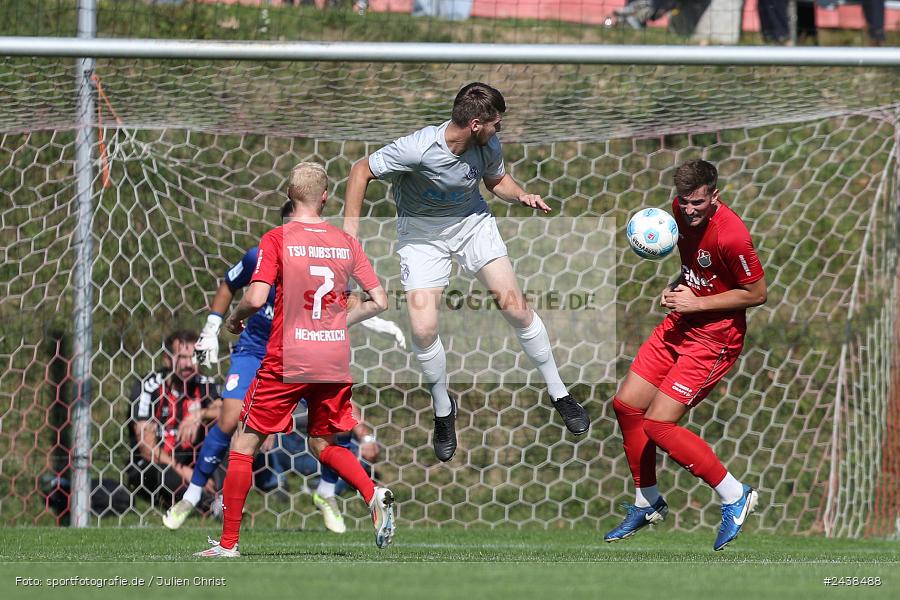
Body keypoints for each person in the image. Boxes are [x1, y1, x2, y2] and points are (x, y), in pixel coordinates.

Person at [343, 82, 590, 463]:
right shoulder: (418, 148)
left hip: (472, 225)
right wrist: (351, 233)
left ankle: (559, 391)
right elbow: (361, 170)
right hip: (422, 237)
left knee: (515, 308)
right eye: (496, 124)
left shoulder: (487, 145)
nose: (499, 130)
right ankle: (443, 408)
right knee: (423, 330)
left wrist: (520, 194)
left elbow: (496, 181)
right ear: (475, 123)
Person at [164, 201, 403, 533]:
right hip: (257, 347)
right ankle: (191, 496)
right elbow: (230, 285)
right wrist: (210, 330)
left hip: (297, 350)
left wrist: (378, 323)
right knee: (232, 417)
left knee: (334, 429)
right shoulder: (263, 253)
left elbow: (341, 302)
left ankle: (326, 492)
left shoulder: (321, 262)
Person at [604, 159, 767, 551]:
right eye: (683, 201)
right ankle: (648, 501)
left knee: (659, 426)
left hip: (714, 340)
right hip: (681, 324)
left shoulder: (733, 236)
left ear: (715, 196)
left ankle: (734, 494)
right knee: (626, 406)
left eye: (697, 202)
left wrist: (697, 304)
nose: (689, 209)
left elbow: (757, 294)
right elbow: (694, 271)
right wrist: (675, 288)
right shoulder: (676, 215)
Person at [128, 330, 220, 511]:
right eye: (182, 357)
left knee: (227, 435)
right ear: (167, 359)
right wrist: (186, 472)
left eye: (194, 357)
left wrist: (199, 414)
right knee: (161, 474)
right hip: (160, 464)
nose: (188, 364)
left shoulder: (205, 385)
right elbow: (147, 450)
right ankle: (207, 502)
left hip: (194, 462)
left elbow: (226, 410)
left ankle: (216, 498)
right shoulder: (148, 387)